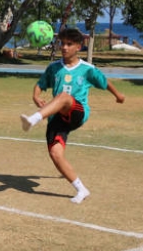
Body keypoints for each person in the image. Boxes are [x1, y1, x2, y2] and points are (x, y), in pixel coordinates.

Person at [20, 28, 125, 204]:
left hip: (78, 112)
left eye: (69, 44)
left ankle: (34, 119)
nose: (64, 47)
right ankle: (81, 189)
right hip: (57, 119)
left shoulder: (86, 69)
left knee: (63, 97)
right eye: (62, 43)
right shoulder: (53, 68)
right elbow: (40, 84)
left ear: (78, 47)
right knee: (55, 154)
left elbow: (104, 82)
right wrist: (36, 96)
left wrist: (118, 95)